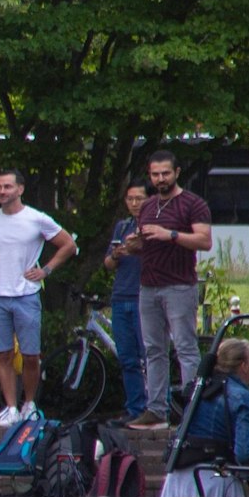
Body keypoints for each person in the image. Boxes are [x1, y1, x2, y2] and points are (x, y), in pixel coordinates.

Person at [0, 171, 76, 426]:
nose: (2, 191)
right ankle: (11, 408)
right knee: (2, 354)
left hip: (26, 295)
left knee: (30, 355)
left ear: (20, 189)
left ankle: (29, 404)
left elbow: (68, 244)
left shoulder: (36, 218)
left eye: (7, 186)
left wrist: (46, 270)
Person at [122, 151, 213, 428]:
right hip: (148, 287)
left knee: (185, 347)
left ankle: (193, 411)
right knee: (153, 350)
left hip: (179, 286)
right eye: (155, 174)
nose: (160, 179)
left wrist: (170, 234)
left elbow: (204, 241)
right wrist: (134, 244)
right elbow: (146, 245)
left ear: (177, 172)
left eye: (165, 173)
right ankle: (156, 410)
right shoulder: (148, 206)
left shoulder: (193, 204)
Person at [161, 338, 249, 497]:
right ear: (244, 366)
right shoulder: (241, 396)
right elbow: (244, 454)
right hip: (213, 478)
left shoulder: (199, 387)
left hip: (177, 477)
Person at [102, 181, 151, 422]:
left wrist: (140, 247)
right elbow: (108, 264)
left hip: (145, 295)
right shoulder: (123, 226)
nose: (134, 203)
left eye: (139, 198)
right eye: (130, 199)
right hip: (121, 296)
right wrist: (116, 254)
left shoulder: (154, 227)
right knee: (127, 358)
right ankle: (135, 409)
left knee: (150, 355)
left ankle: (156, 408)